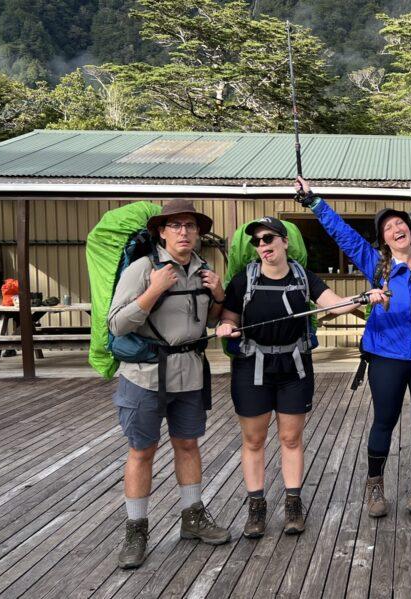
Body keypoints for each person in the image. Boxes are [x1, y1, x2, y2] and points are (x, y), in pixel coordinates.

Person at [295, 177, 411, 517]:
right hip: (386, 356)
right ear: (383, 239)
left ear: (410, 230)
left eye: (400, 223)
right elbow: (343, 234)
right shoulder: (375, 263)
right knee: (385, 419)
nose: (396, 228)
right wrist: (314, 202)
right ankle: (375, 484)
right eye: (388, 228)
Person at [216, 217, 386, 538]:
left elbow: (332, 305)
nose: (263, 246)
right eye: (257, 242)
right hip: (252, 367)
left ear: (284, 241)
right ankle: (257, 507)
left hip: (294, 367)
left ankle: (293, 503)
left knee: (291, 439)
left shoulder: (302, 277)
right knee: (253, 440)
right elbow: (228, 315)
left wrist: (364, 297)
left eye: (268, 239)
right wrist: (226, 326)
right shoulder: (244, 281)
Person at [108, 199, 230, 569]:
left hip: (190, 373)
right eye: (175, 225)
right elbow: (117, 324)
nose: (183, 232)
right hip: (144, 376)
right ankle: (136, 529)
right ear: (161, 231)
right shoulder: (143, 269)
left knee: (188, 445)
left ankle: (192, 517)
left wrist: (219, 298)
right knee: (142, 451)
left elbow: (207, 322)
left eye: (190, 226)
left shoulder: (204, 270)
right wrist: (153, 290)